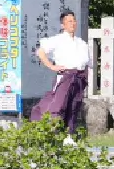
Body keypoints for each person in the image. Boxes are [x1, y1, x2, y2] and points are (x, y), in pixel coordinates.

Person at [34, 10, 90, 145]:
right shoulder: (58, 39)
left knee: (74, 106)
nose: (73, 23)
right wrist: (51, 66)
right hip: (65, 75)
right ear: (62, 25)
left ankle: (68, 136)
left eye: (74, 21)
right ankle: (50, 133)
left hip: (79, 76)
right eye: (69, 21)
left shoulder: (81, 42)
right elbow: (40, 51)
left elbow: (88, 62)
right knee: (59, 105)